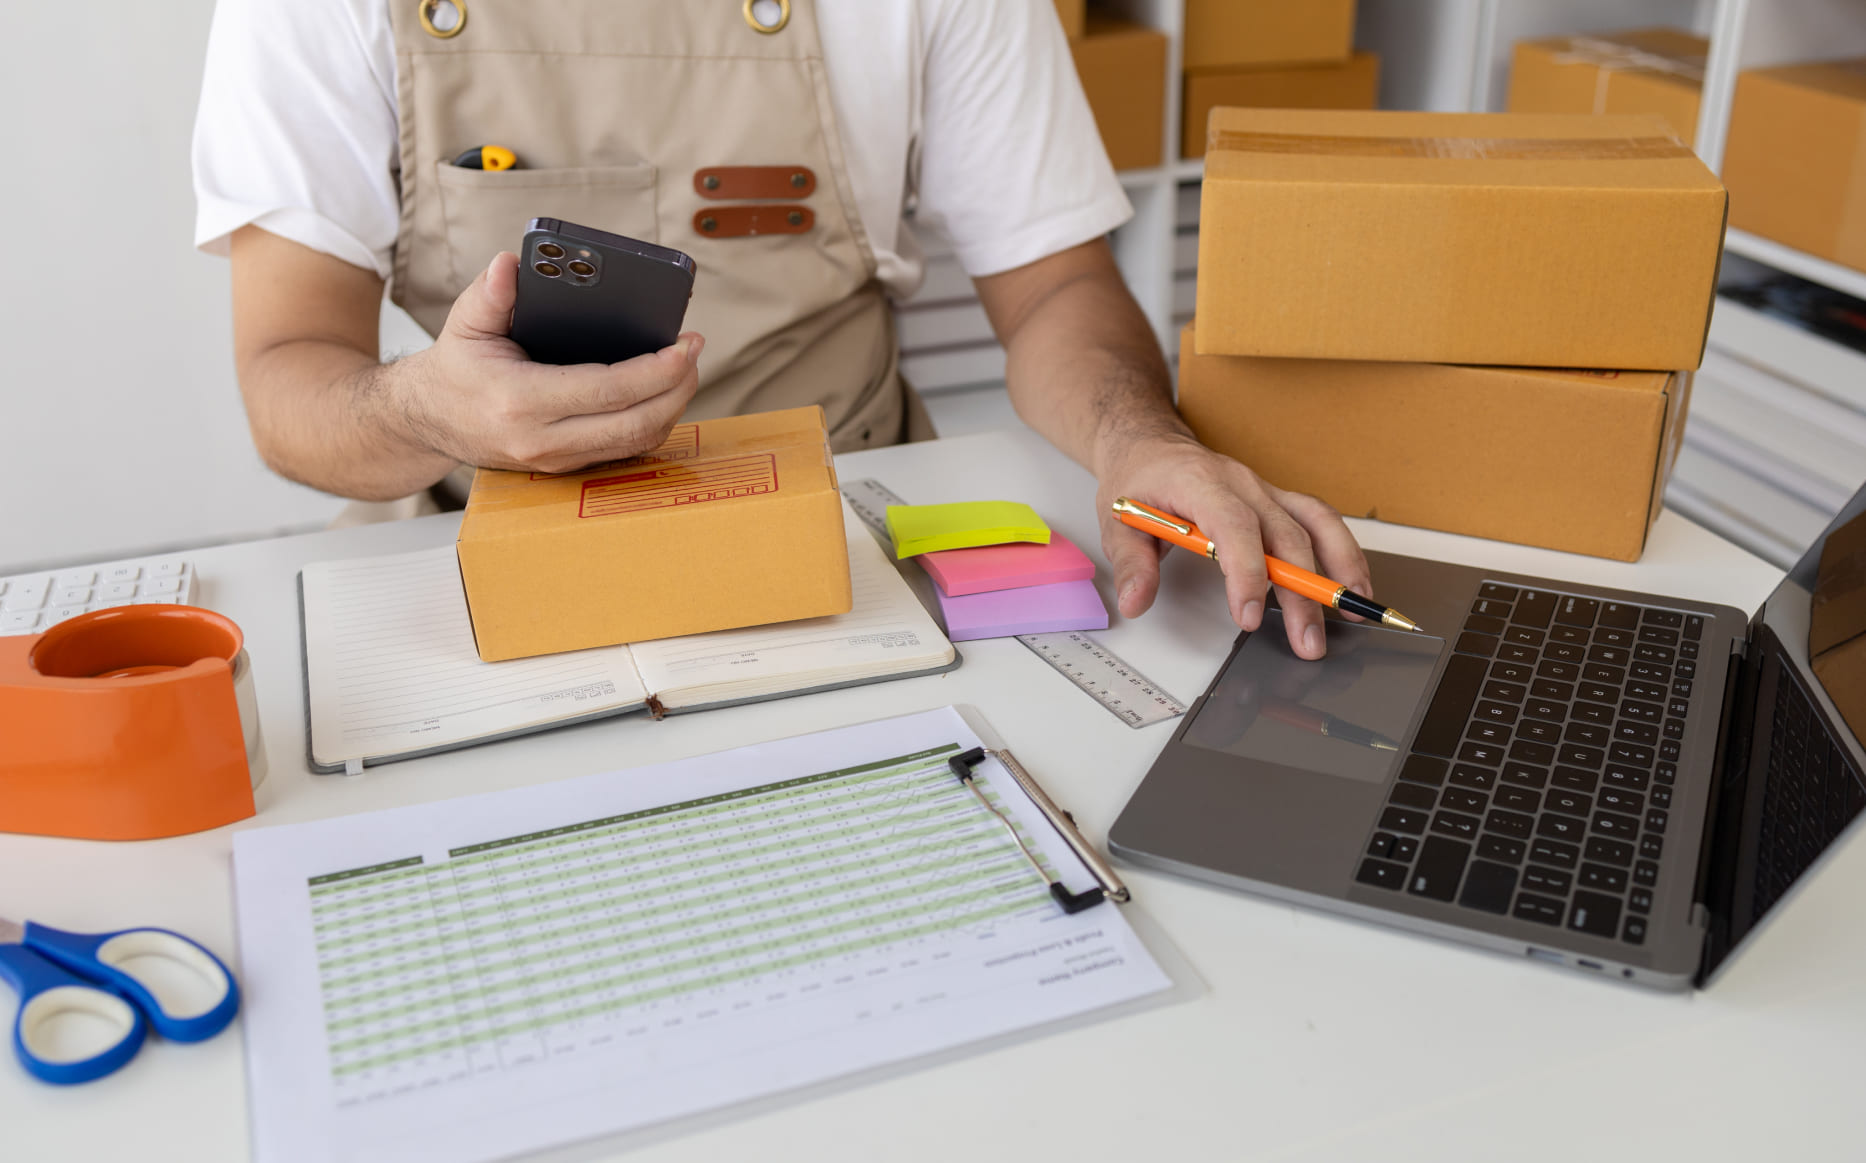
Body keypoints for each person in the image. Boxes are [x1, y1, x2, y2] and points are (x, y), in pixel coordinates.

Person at [192, 0, 1369, 659]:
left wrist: (1138, 442)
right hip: (482, 558)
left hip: (850, 549)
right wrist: (422, 407)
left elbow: (1057, 287)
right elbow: (289, 376)